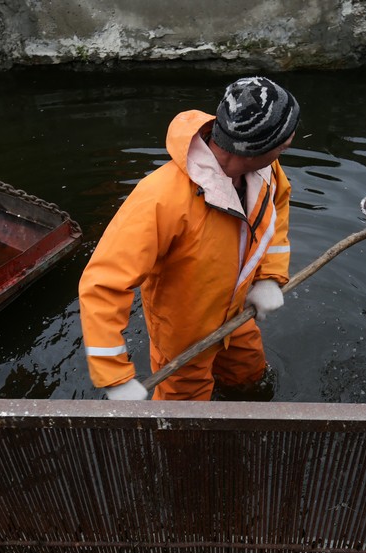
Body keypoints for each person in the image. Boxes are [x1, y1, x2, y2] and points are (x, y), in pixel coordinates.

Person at [78, 76, 300, 400]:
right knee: (184, 412)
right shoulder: (160, 198)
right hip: (185, 337)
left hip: (236, 313)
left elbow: (276, 210)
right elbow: (103, 284)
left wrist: (269, 277)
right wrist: (113, 376)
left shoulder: (268, 172)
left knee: (249, 377)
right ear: (252, 151)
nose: (289, 144)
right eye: (283, 144)